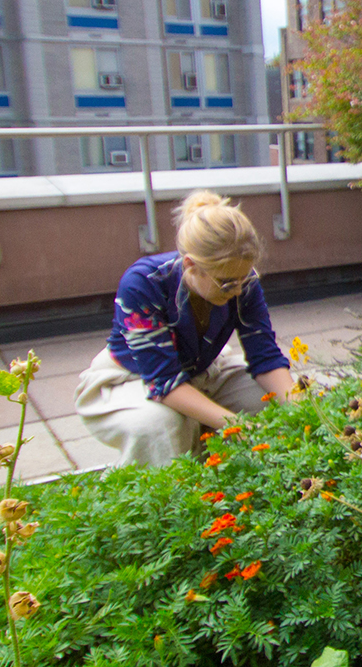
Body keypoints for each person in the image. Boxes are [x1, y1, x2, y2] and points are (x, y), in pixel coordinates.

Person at [74, 190, 293, 467]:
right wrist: (236, 426)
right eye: (227, 283)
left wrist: (302, 409)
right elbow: (164, 381)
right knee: (161, 424)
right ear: (191, 265)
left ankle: (237, 481)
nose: (238, 290)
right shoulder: (143, 283)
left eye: (244, 278)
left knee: (273, 401)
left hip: (203, 371)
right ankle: (154, 496)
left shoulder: (240, 279)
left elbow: (265, 356)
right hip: (131, 377)